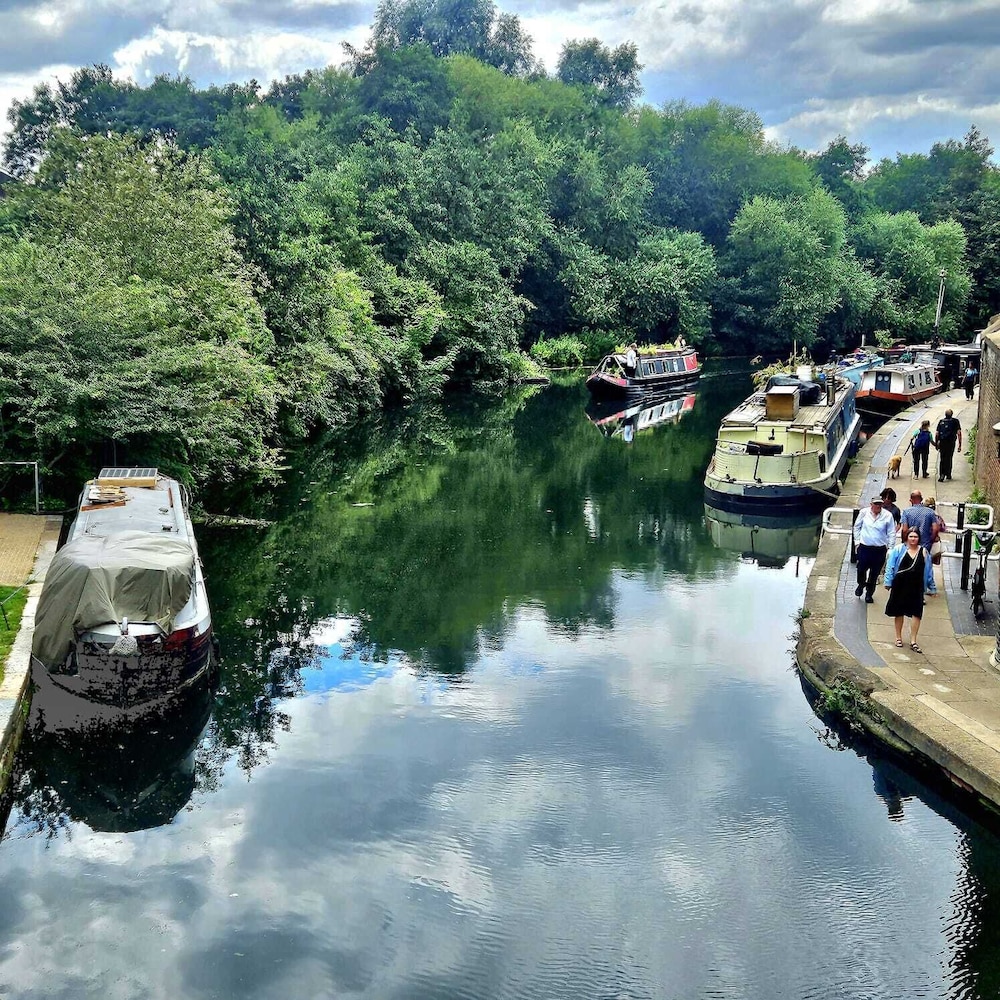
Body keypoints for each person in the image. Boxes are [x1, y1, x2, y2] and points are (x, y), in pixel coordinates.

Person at [884, 527, 937, 652]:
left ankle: (913, 640)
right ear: (906, 537)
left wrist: (932, 588)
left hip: (917, 586)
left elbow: (929, 571)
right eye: (911, 536)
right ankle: (898, 637)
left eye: (916, 537)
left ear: (919, 538)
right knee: (899, 611)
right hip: (900, 585)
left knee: (917, 613)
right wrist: (888, 581)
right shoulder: (899, 550)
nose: (913, 539)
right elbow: (890, 566)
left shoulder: (924, 552)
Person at [853, 496, 897, 603]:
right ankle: (861, 584)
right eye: (876, 504)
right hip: (865, 548)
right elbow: (857, 527)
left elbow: (891, 532)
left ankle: (869, 593)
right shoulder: (864, 512)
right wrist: (857, 542)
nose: (878, 506)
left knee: (874, 573)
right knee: (861, 569)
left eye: (880, 504)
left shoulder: (888, 515)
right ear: (871, 505)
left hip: (879, 549)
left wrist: (890, 548)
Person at [934, 409, 962, 481]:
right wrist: (959, 445)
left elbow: (937, 434)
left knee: (942, 458)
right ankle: (948, 474)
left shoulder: (941, 421)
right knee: (949, 458)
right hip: (951, 442)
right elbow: (959, 433)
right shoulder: (955, 421)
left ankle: (942, 475)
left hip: (942, 443)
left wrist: (936, 444)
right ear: (952, 414)